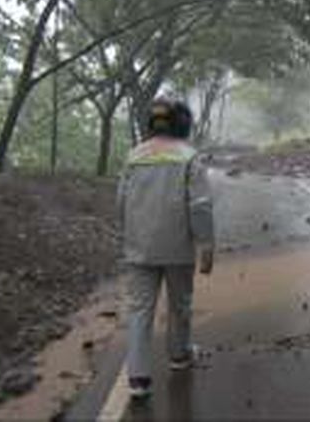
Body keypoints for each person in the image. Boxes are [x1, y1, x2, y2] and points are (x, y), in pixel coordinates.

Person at [117, 98, 215, 399]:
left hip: (139, 248)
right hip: (177, 247)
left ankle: (138, 378)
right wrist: (206, 244)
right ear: (182, 123)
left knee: (139, 311)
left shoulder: (133, 157)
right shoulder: (188, 157)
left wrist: (129, 234)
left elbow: (121, 202)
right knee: (180, 305)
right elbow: (200, 206)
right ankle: (178, 355)